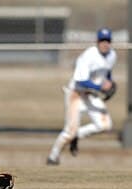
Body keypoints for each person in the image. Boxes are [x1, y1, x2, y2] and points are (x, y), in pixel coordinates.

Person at [47, 28, 117, 165]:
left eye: (107, 40)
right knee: (69, 131)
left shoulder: (112, 55)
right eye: (102, 40)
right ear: (97, 42)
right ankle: (52, 158)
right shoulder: (89, 55)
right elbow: (80, 80)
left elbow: (106, 73)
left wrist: (108, 84)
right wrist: (100, 87)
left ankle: (77, 135)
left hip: (91, 94)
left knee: (105, 125)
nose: (105, 44)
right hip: (76, 94)